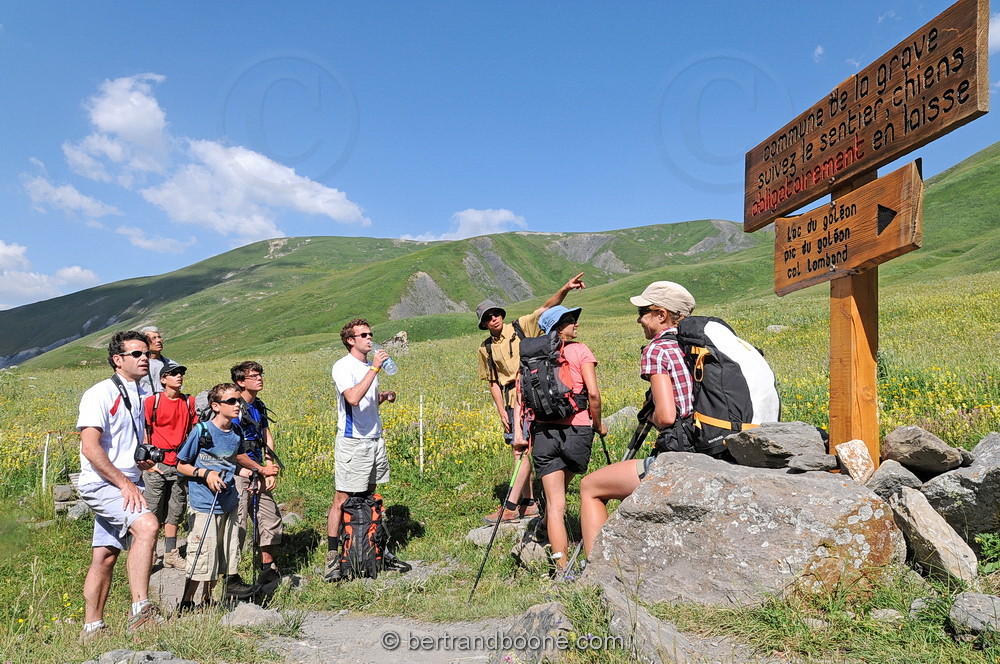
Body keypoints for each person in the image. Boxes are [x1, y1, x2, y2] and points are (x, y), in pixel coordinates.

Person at [579, 281, 696, 558]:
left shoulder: (658, 349)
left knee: (590, 487)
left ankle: (596, 569)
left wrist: (650, 414)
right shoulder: (694, 345)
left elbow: (666, 416)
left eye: (643, 312)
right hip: (709, 443)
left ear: (661, 314)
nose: (639, 319)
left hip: (682, 452)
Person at [475, 273, 587, 523]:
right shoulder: (485, 348)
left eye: (496, 313)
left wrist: (566, 288)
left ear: (501, 314)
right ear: (483, 324)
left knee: (523, 449)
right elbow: (493, 382)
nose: (494, 318)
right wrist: (501, 411)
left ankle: (515, 505)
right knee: (519, 450)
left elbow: (546, 308)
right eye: (488, 317)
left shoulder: (520, 327)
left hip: (533, 393)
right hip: (511, 399)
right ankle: (529, 502)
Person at [77, 331, 162, 640]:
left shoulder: (140, 393)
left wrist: (141, 461)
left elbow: (123, 442)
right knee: (147, 526)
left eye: (146, 354)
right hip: (103, 483)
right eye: (136, 354)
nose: (144, 358)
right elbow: (90, 447)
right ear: (117, 359)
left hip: (126, 479)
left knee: (106, 555)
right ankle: (141, 613)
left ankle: (92, 629)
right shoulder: (99, 393)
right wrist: (125, 483)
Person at [513, 305, 606, 573]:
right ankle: (581, 558)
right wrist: (598, 424)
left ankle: (562, 569)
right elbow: (593, 395)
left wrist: (519, 433)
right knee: (562, 493)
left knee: (555, 504)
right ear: (557, 326)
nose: (576, 324)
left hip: (543, 433)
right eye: (570, 320)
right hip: (577, 431)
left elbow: (520, 397)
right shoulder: (580, 350)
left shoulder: (532, 357)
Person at [325, 318, 406, 581]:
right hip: (353, 441)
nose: (370, 338)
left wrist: (383, 397)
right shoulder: (343, 366)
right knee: (343, 498)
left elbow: (365, 401)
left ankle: (371, 548)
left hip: (374, 439)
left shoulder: (367, 366)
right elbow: (352, 398)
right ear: (350, 340)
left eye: (370, 334)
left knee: (370, 496)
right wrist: (375, 368)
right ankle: (333, 557)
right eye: (363, 335)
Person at [176, 383, 259, 607]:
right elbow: (181, 465)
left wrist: (250, 474)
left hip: (228, 502)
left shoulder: (236, 433)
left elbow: (231, 464)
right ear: (215, 406)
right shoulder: (202, 431)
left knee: (222, 553)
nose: (237, 405)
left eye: (238, 401)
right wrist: (205, 473)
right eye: (231, 401)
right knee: (203, 554)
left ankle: (207, 599)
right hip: (204, 503)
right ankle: (186, 602)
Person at [230, 361, 283, 587]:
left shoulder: (258, 405)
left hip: (257, 468)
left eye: (260, 374)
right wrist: (261, 470)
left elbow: (266, 435)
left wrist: (268, 467)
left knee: (270, 517)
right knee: (239, 522)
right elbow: (233, 449)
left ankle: (267, 567)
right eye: (253, 376)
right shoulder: (233, 407)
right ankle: (231, 574)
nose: (259, 378)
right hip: (237, 472)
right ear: (240, 382)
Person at [142, 359, 197, 570]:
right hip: (158, 463)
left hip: (180, 463)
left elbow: (194, 431)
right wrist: (148, 463)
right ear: (163, 379)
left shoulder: (189, 402)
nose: (179, 376)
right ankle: (148, 552)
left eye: (181, 373)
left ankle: (170, 554)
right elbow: (145, 430)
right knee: (152, 509)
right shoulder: (152, 402)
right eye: (174, 373)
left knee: (176, 509)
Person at [139, 326, 170, 395]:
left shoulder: (171, 364)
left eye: (159, 337)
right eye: (154, 338)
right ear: (144, 342)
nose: (158, 340)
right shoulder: (139, 365)